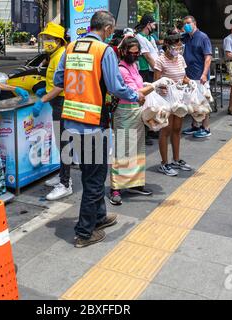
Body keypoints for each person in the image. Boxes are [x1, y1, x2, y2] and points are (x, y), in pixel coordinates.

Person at [54, 11, 149, 248]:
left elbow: (58, 80)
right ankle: (84, 233)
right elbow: (117, 87)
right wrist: (135, 95)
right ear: (107, 29)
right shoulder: (103, 51)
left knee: (90, 173)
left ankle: (99, 216)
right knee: (95, 179)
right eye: (111, 31)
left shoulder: (71, 47)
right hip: (93, 125)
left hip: (72, 122)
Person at [109, 36, 155, 206]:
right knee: (122, 150)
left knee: (137, 149)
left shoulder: (134, 66)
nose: (136, 56)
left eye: (138, 53)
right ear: (124, 52)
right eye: (133, 53)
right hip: (124, 113)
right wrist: (155, 85)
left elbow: (140, 86)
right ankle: (116, 188)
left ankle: (135, 183)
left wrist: (151, 85)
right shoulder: (121, 69)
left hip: (137, 111)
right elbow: (135, 91)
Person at [31, 22, 73, 201]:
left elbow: (60, 85)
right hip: (57, 101)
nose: (46, 41)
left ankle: (65, 184)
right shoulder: (55, 55)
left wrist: (43, 99)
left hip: (61, 102)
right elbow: (53, 82)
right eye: (45, 38)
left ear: (58, 40)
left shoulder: (60, 56)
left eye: (49, 38)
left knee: (64, 143)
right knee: (60, 142)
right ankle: (63, 176)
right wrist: (45, 91)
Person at [154, 30, 192, 177]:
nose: (178, 50)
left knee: (177, 128)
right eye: (175, 47)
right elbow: (156, 83)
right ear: (168, 46)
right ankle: (164, 163)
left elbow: (184, 76)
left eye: (179, 47)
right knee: (166, 130)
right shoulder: (160, 60)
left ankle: (176, 159)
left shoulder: (181, 59)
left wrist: (188, 82)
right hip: (166, 100)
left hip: (180, 98)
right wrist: (166, 85)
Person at [181, 15, 213, 138]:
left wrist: (204, 74)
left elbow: (208, 57)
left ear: (195, 23)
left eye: (188, 23)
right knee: (192, 102)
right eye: (184, 24)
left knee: (203, 102)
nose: (186, 25)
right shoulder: (185, 37)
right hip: (188, 76)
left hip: (200, 76)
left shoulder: (203, 37)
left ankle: (206, 128)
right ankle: (195, 126)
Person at [135, 14, 160, 145]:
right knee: (144, 102)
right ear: (148, 24)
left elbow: (155, 54)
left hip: (153, 71)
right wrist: (158, 70)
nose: (155, 26)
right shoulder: (139, 38)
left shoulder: (150, 37)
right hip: (145, 72)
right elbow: (148, 57)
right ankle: (143, 134)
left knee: (151, 101)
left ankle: (151, 129)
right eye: (153, 24)